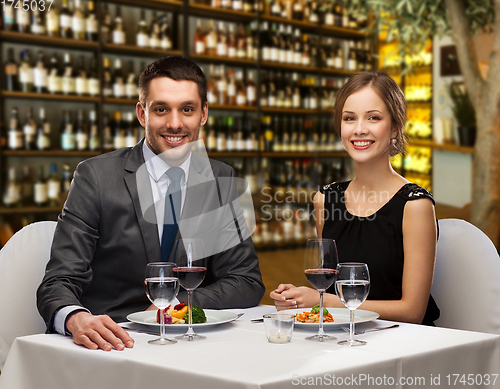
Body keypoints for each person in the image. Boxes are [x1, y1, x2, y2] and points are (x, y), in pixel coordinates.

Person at [37, 56, 265, 351]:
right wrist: (76, 318)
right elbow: (58, 282)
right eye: (161, 109)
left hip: (192, 344)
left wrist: (174, 307)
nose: (175, 123)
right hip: (112, 345)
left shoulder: (220, 178)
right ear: (142, 114)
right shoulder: (95, 176)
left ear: (204, 114)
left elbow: (245, 281)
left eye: (187, 109)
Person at [270, 71, 439, 325]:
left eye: (373, 118)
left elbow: (412, 311)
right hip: (342, 341)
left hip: (403, 345)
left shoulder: (415, 205)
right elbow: (328, 289)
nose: (359, 129)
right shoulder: (324, 200)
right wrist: (295, 300)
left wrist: (322, 301)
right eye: (349, 118)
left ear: (394, 127)